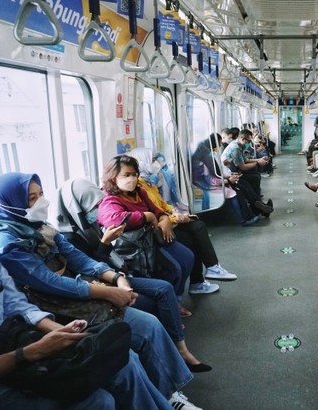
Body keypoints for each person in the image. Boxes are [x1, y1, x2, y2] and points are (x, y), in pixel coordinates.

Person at [0, 175, 202, 409]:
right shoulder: (3, 245)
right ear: (8, 205)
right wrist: (108, 292)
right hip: (56, 308)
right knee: (127, 356)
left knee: (149, 324)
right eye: (32, 198)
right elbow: (50, 282)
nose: (41, 202)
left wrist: (116, 278)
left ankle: (170, 393)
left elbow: (78, 258)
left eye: (41, 194)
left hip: (81, 294)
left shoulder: (41, 227)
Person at [55, 177, 216, 372]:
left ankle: (180, 347)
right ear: (78, 208)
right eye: (92, 207)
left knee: (165, 286)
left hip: (116, 275)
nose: (97, 211)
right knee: (153, 301)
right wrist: (105, 244)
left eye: (99, 204)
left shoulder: (91, 226)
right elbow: (92, 268)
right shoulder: (69, 238)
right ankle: (171, 348)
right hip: (100, 286)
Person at [128, 148, 238, 290]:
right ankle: (199, 280)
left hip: (167, 219)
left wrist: (174, 211)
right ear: (141, 163)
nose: (156, 163)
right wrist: (176, 218)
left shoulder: (149, 183)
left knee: (198, 225)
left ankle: (209, 270)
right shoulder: (140, 186)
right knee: (193, 237)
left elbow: (161, 204)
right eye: (153, 160)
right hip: (157, 229)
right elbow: (152, 214)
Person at [96, 155, 196, 300]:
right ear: (113, 177)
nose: (132, 178)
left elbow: (156, 210)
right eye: (126, 175)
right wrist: (146, 216)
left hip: (151, 237)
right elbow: (115, 219)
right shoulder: (109, 199)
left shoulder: (139, 192)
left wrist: (164, 218)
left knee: (188, 257)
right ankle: (170, 301)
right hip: (135, 247)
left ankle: (176, 297)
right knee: (175, 268)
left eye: (134, 174)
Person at [221, 129, 270, 202]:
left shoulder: (240, 145)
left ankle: (257, 199)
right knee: (255, 177)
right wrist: (258, 162)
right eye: (249, 141)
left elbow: (246, 160)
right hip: (231, 173)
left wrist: (259, 159)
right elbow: (243, 167)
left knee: (256, 173)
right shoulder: (235, 148)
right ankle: (256, 201)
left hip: (236, 169)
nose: (250, 143)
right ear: (243, 139)